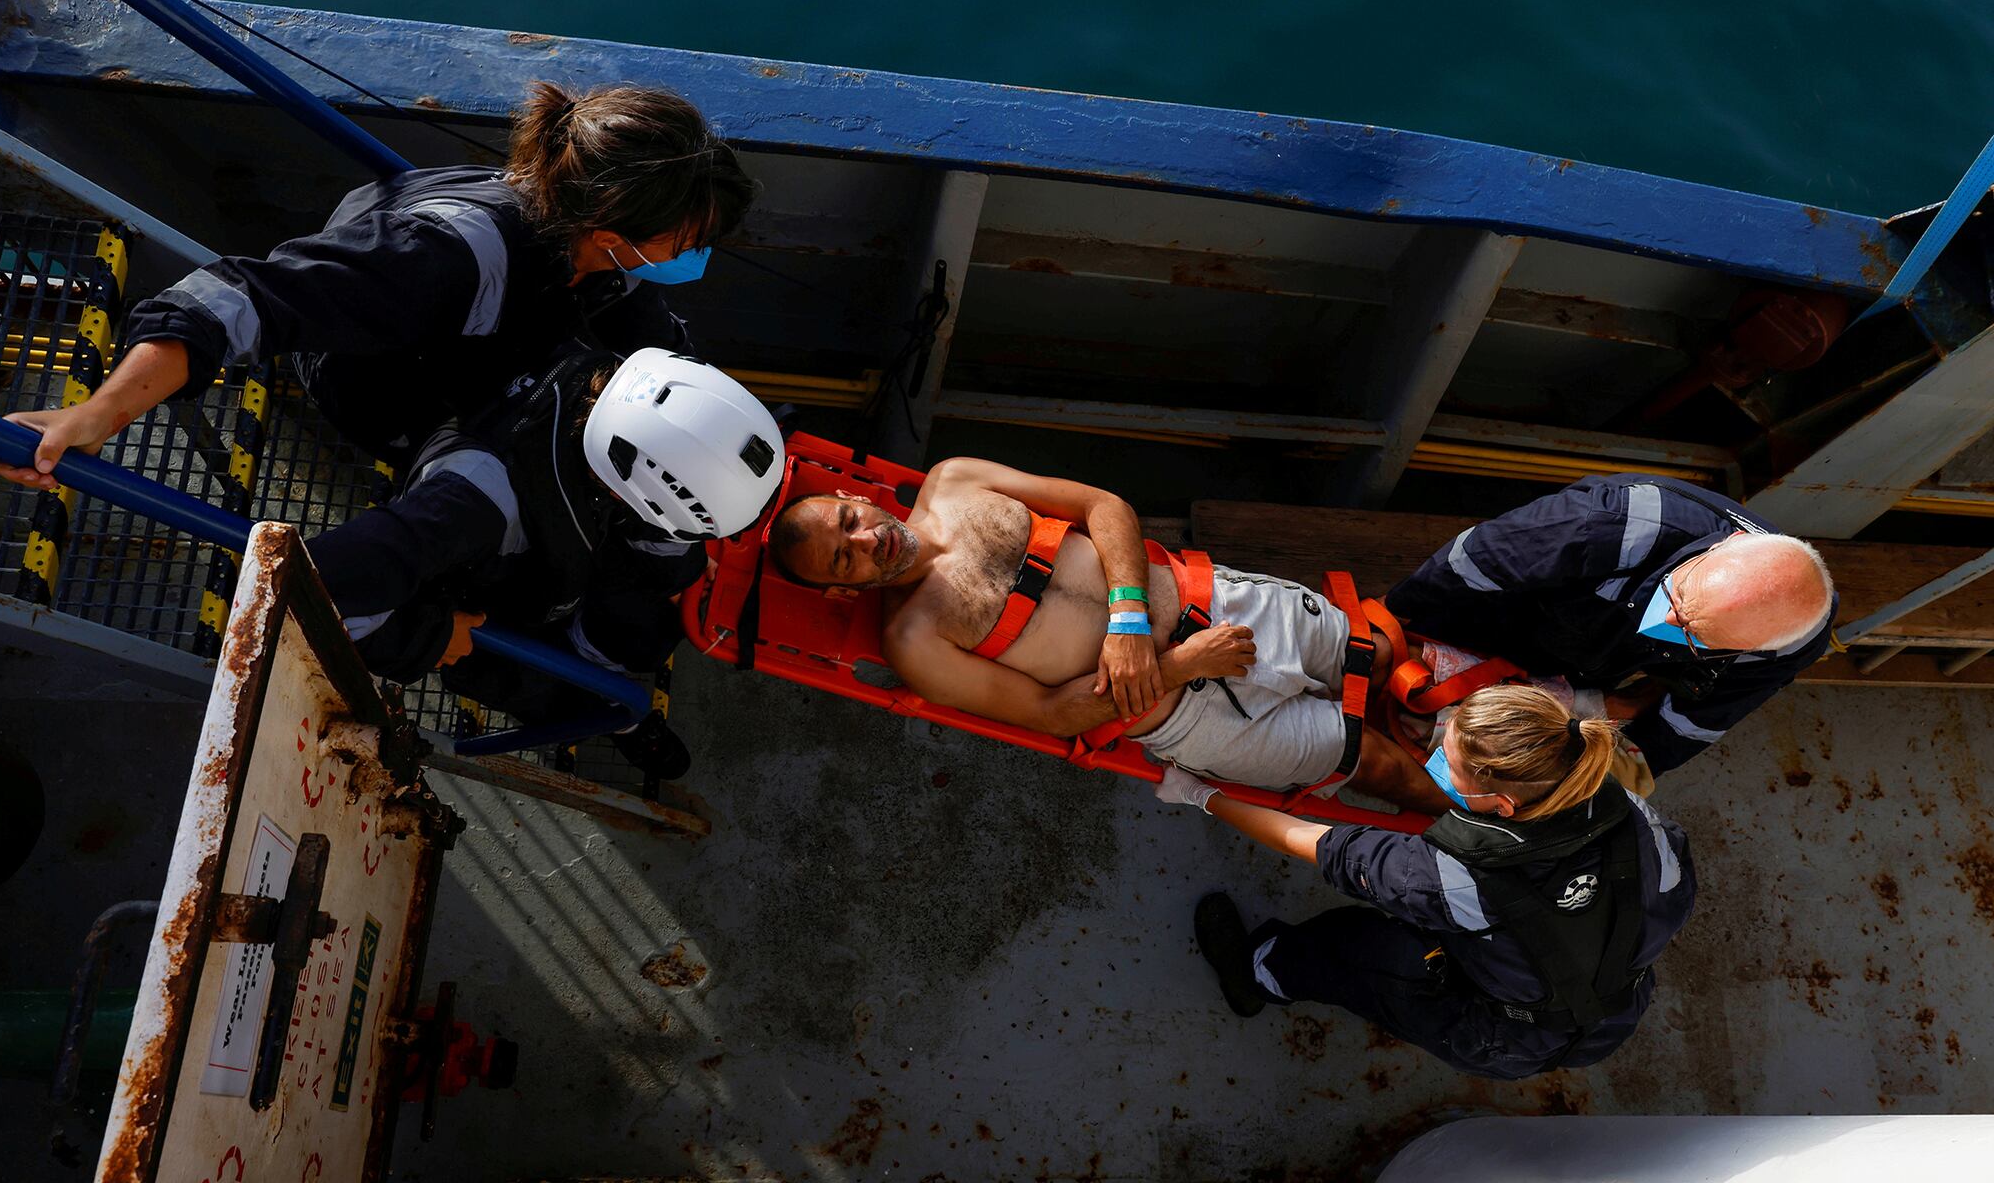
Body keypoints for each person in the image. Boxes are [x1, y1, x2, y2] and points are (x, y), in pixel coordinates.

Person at [0, 80, 757, 482]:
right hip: (384, 384)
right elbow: (242, 297)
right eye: (687, 242)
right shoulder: (438, 258)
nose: (697, 255)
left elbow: (636, 318)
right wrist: (100, 411)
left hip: (499, 323)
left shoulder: (589, 239)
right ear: (611, 234)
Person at [766, 458, 1451, 814]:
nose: (867, 541)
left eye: (849, 522)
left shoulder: (956, 480)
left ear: (855, 499)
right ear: (843, 591)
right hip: (1187, 712)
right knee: (1379, 767)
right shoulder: (914, 643)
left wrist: (1128, 618)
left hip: (1214, 599)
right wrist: (1179, 665)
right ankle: (1490, 825)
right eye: (844, 559)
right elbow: (1048, 714)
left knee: (1386, 655)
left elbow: (1102, 506)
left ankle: (1495, 711)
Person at [1160, 684, 1696, 1081]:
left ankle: (1256, 974)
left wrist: (1202, 795)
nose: (1436, 760)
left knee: (1351, 945)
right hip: (1614, 1010)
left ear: (1501, 805)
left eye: (1448, 762)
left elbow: (1310, 841)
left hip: (1501, 1034)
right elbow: (1669, 902)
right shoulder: (1635, 816)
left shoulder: (1456, 879)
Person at [308, 347, 783, 760]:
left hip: (552, 562)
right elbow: (319, 587)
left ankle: (606, 690)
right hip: (473, 605)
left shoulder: (612, 395)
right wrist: (432, 636)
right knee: (531, 683)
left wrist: (680, 564)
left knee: (650, 633)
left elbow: (642, 531)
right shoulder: (474, 504)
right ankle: (608, 716)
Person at [1385, 473, 1835, 780]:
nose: (1668, 620)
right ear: (1727, 545)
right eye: (1679, 595)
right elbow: (1473, 562)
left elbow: (1692, 724)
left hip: (1594, 663)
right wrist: (1395, 619)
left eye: (1696, 636)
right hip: (1507, 610)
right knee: (1393, 667)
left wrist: (1617, 777)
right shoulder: (1608, 524)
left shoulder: (1786, 643)